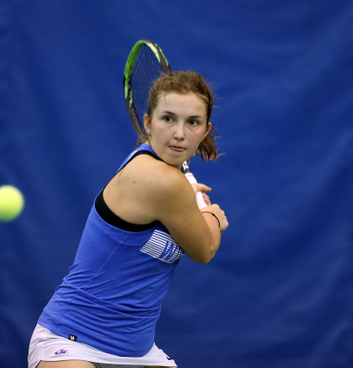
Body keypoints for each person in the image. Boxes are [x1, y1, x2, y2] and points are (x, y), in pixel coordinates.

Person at [28, 70, 228, 368]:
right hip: (72, 340)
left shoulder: (170, 182)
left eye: (193, 123)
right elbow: (205, 249)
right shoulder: (161, 181)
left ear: (205, 129)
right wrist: (212, 216)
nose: (179, 133)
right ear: (148, 122)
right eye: (168, 118)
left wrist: (190, 204)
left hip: (138, 351)